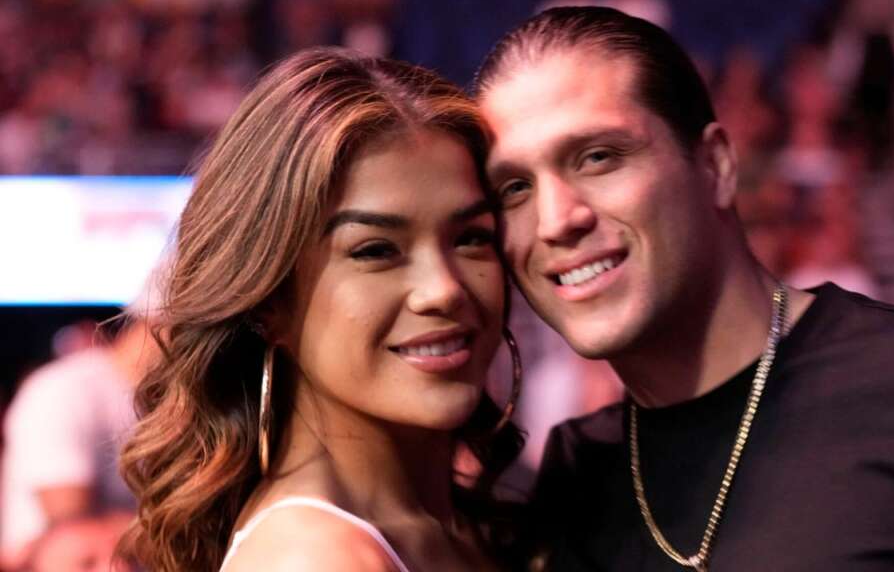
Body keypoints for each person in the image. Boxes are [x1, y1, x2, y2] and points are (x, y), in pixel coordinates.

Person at [474, 6, 894, 571]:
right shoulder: (577, 476)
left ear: (716, 164)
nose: (556, 220)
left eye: (598, 157)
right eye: (514, 188)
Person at [118, 47, 523, 571]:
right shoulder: (310, 558)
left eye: (471, 238)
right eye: (376, 250)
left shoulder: (460, 527)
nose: (444, 289)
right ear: (267, 300)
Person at [1, 317, 153, 569]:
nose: (115, 569)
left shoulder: (162, 403)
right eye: (89, 564)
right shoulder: (63, 391)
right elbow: (71, 523)